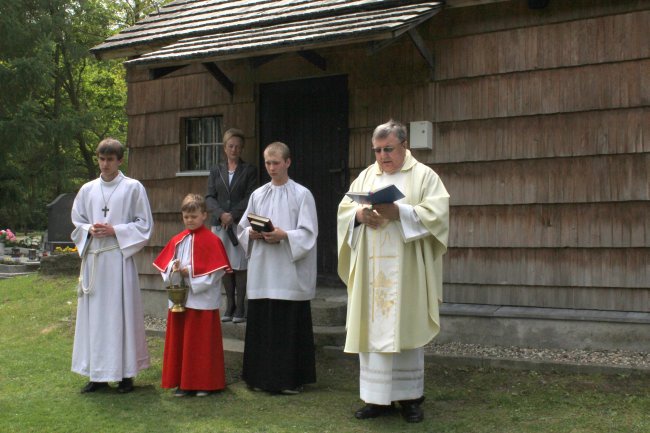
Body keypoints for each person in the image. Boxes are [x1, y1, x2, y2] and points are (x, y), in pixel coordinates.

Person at [337, 120, 450, 423]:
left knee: (406, 329)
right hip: (372, 273)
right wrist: (359, 216)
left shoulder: (424, 176)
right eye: (377, 150)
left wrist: (400, 212)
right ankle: (376, 399)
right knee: (372, 333)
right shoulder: (366, 176)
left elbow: (438, 214)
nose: (383, 156)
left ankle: (410, 399)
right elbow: (344, 211)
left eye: (388, 149)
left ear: (404, 145)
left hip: (406, 269)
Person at [71, 137, 153, 394]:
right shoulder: (87, 189)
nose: (104, 164)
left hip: (118, 260)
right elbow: (77, 220)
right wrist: (89, 229)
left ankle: (125, 375)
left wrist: (115, 230)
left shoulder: (133, 188)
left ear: (120, 160)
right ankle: (97, 375)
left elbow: (144, 225)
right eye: (101, 159)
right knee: (96, 319)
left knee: (121, 316)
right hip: (95, 260)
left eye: (110, 160)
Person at [237, 141, 318, 394]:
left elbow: (308, 233)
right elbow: (242, 228)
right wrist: (252, 233)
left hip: (288, 272)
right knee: (262, 324)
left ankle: (289, 380)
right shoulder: (258, 194)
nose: (271, 168)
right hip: (263, 269)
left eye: (276, 163)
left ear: (288, 162)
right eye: (267, 163)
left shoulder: (302, 194)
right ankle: (259, 378)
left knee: (287, 326)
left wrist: (284, 235)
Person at [153, 193, 232, 397]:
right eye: (186, 217)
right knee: (182, 342)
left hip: (202, 299)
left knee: (201, 344)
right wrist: (175, 268)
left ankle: (204, 383)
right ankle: (183, 382)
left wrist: (192, 274)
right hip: (182, 300)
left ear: (204, 215)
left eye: (194, 216)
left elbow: (216, 273)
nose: (190, 220)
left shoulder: (213, 241)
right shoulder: (177, 240)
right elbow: (165, 268)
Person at [206, 128, 257, 323]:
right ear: (225, 148)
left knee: (240, 265)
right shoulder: (215, 170)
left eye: (237, 146)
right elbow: (210, 197)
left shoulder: (249, 170)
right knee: (225, 265)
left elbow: (250, 196)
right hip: (220, 225)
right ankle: (230, 305)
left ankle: (241, 306)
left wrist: (232, 216)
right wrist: (221, 215)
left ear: (242, 149)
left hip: (239, 224)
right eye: (230, 146)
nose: (234, 149)